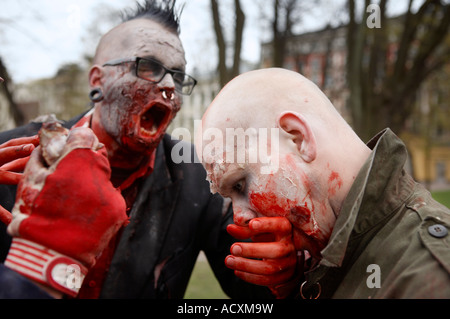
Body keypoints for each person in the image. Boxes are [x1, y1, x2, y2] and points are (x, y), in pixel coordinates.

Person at [0, 0, 274, 299]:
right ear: (98, 81)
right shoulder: (15, 156)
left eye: (179, 76)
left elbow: (255, 292)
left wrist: (285, 271)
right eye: (148, 66)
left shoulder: (200, 177)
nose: (170, 84)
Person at [195, 67, 450, 299]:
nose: (239, 217)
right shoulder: (325, 260)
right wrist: (294, 289)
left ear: (298, 139)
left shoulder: (428, 276)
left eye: (240, 185)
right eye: (229, 196)